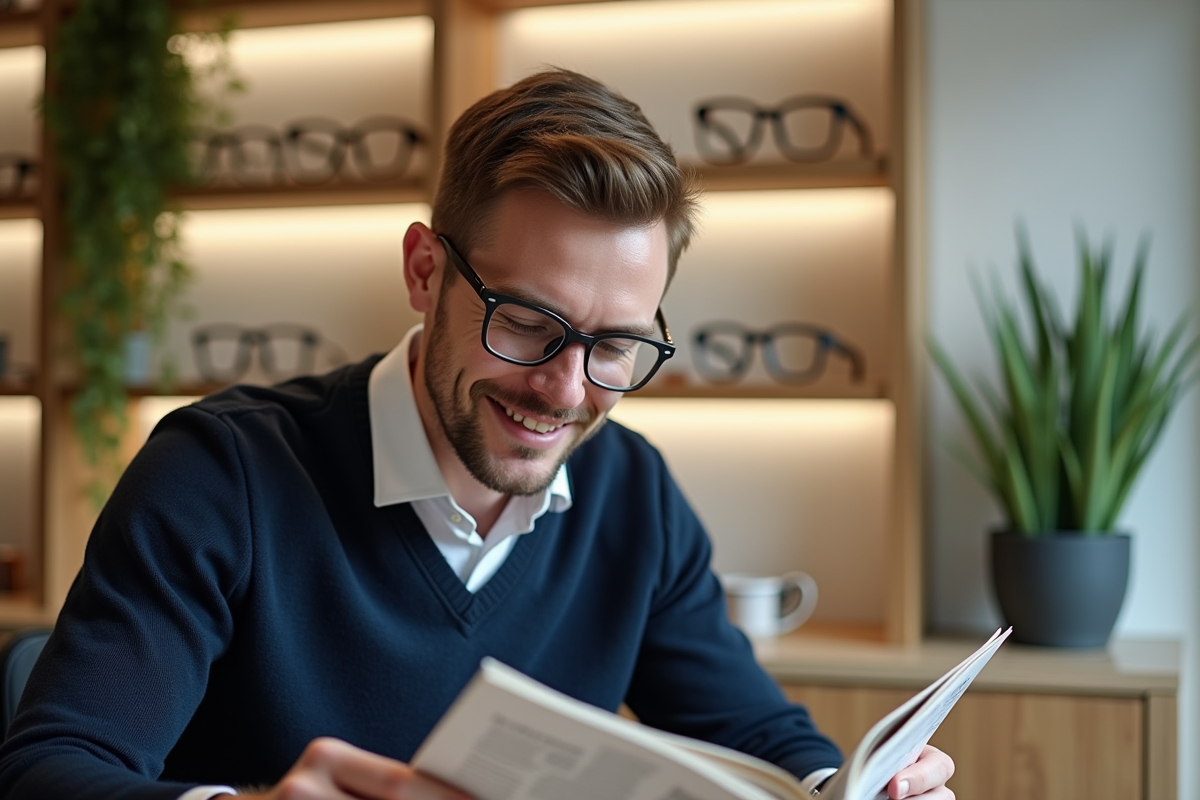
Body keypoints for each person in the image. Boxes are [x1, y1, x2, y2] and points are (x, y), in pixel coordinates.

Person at [0, 68, 954, 800]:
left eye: (617, 345)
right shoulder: (224, 473)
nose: (565, 388)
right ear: (425, 272)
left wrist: (849, 787)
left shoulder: (632, 494)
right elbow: (52, 767)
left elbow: (762, 740)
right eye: (529, 324)